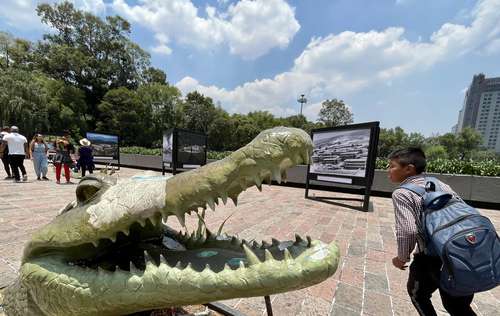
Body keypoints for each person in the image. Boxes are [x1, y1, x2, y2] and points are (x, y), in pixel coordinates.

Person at [388, 147, 476, 316]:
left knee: (418, 294)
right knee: (458, 306)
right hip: (461, 252)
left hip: (430, 259)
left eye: (392, 166)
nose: (388, 170)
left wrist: (401, 258)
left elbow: (408, 231)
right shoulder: (440, 183)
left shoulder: (402, 193)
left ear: (409, 169)